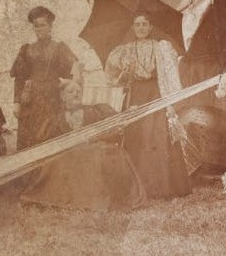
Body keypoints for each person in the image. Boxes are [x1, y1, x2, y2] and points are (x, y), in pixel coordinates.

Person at [18, 79, 145, 210]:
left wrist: (128, 112)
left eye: (79, 91)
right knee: (57, 159)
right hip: (68, 150)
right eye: (71, 91)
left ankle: (92, 201)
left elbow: (116, 122)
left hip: (93, 147)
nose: (76, 94)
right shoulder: (57, 119)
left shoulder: (95, 111)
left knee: (96, 155)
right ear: (63, 96)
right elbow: (46, 140)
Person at [105, 11, 191, 199]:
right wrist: (126, 73)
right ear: (133, 27)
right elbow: (115, 78)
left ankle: (162, 187)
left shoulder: (161, 47)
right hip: (136, 95)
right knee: (137, 135)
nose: (141, 28)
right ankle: (139, 187)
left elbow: (169, 74)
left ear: (151, 27)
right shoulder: (126, 50)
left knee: (157, 134)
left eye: (145, 24)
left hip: (156, 93)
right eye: (137, 24)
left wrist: (170, 101)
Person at [10, 5, 82, 150]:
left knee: (52, 136)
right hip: (31, 101)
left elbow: (75, 71)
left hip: (53, 99)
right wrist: (17, 101)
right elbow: (19, 78)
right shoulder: (27, 50)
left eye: (43, 25)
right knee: (30, 140)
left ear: (50, 27)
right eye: (36, 26)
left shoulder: (60, 48)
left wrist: (73, 91)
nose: (39, 29)